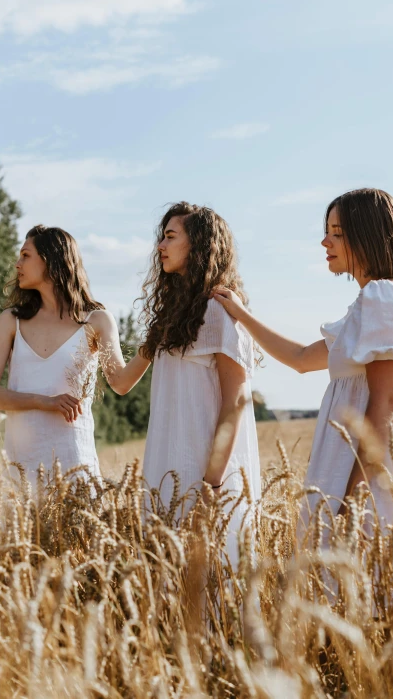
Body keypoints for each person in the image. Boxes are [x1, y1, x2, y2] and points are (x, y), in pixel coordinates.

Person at [214, 188, 393, 530]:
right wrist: (241, 314)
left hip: (366, 477)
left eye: (337, 233)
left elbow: (388, 401)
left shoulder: (384, 298)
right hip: (353, 467)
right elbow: (301, 358)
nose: (325, 242)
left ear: (368, 236)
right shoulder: (372, 304)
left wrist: (353, 499)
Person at [0, 225, 149, 490]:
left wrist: (152, 346)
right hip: (21, 467)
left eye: (25, 255)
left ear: (50, 259)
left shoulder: (96, 321)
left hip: (75, 462)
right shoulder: (11, 321)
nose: (17, 263)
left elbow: (121, 383)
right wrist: (42, 401)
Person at [140, 202, 261, 565]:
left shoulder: (219, 311)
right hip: (167, 466)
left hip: (205, 474)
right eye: (161, 237)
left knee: (211, 589)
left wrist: (211, 484)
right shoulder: (173, 317)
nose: (160, 246)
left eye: (170, 237)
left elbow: (234, 400)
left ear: (199, 246)